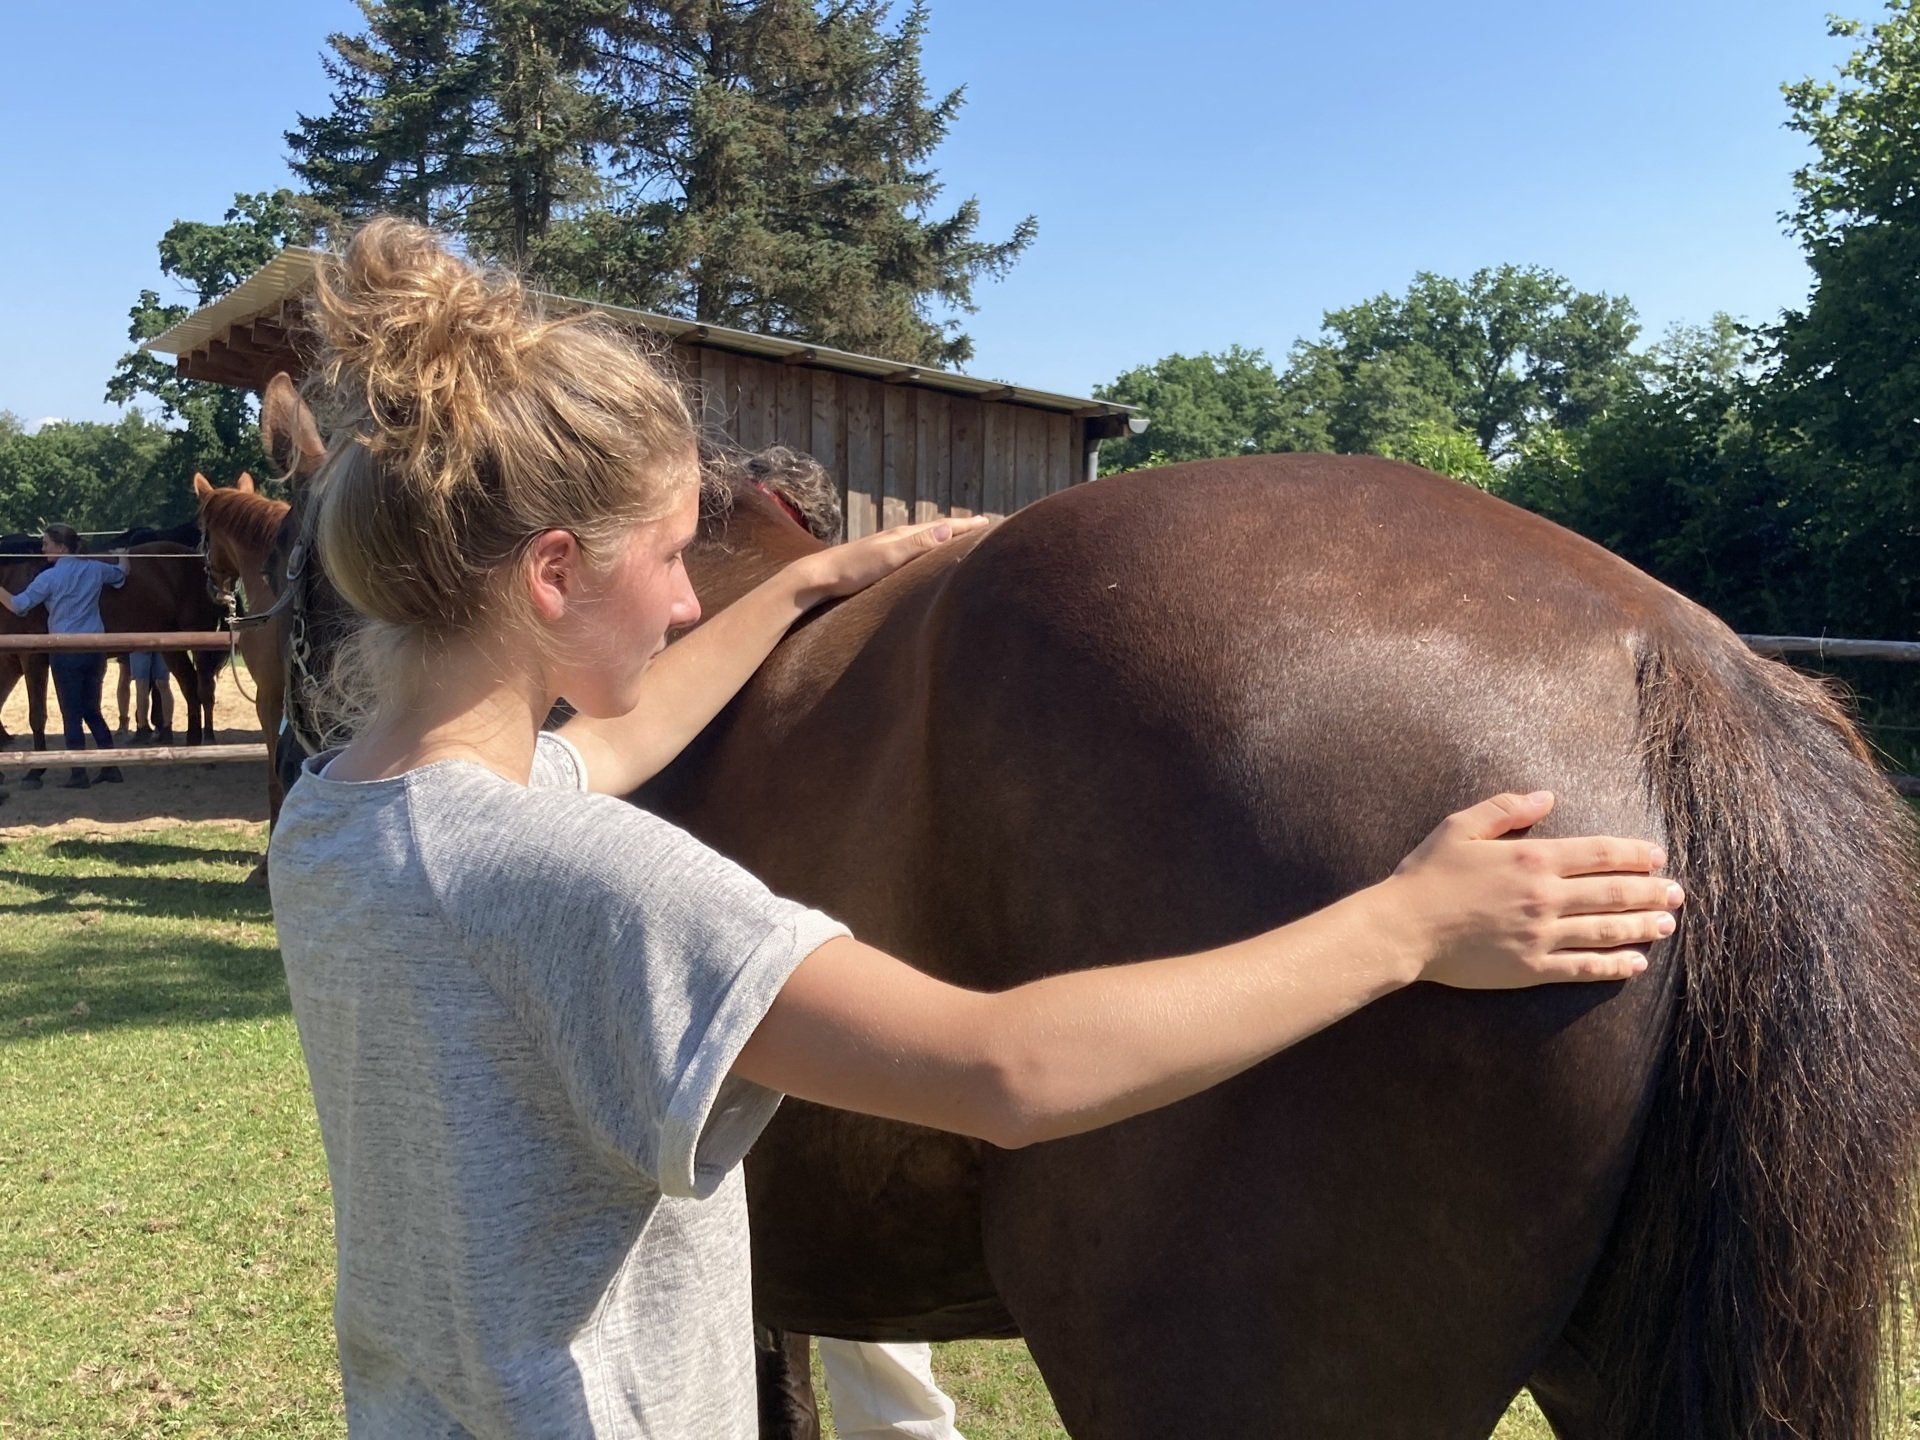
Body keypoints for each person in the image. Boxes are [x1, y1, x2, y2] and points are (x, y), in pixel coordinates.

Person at [268, 220, 1682, 1440]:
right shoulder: (601, 883)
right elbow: (1006, 1067)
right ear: (553, 573)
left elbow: (609, 748)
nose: (693, 601)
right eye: (677, 555)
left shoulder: (336, 826)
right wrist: (1403, 927)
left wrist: (804, 585)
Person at [0, 523, 128, 789]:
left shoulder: (49, 578)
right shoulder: (94, 569)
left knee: (71, 714)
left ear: (60, 547)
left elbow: (19, 606)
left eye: (46, 544)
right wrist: (124, 556)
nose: (42, 549)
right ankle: (111, 765)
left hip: (66, 651)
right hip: (94, 650)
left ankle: (78, 773)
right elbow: (120, 575)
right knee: (92, 710)